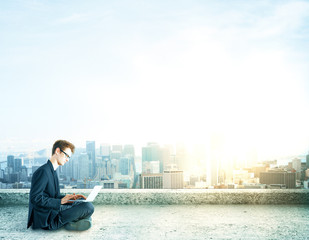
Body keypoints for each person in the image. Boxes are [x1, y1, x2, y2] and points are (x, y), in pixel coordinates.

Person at [27, 140, 94, 231]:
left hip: (53, 209)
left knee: (82, 201)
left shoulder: (52, 171)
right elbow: (35, 198)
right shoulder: (43, 171)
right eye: (66, 155)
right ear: (57, 151)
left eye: (69, 157)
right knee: (88, 207)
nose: (67, 159)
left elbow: (54, 196)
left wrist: (70, 198)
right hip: (48, 219)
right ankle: (71, 222)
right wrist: (60, 202)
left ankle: (72, 221)